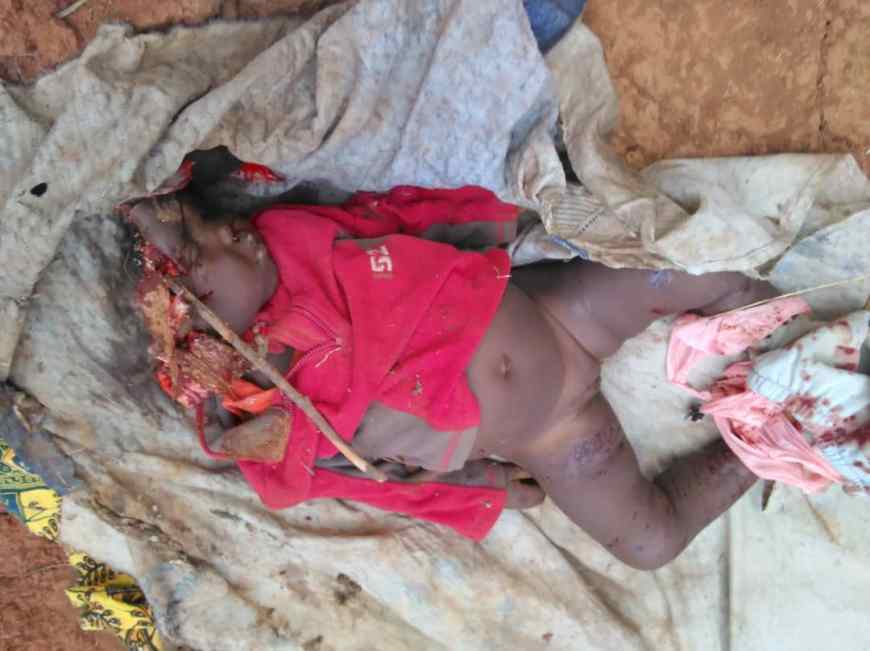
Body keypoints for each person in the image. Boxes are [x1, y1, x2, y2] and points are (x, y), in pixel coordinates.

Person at [128, 181, 775, 571]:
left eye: (217, 226)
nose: (234, 231)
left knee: (718, 274)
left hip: (558, 311)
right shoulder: (274, 433)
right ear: (202, 330)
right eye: (201, 253)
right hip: (550, 434)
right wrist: (479, 487)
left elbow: (398, 214)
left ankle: (794, 353)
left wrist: (499, 214)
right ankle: (769, 441)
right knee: (649, 545)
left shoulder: (294, 239)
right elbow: (376, 484)